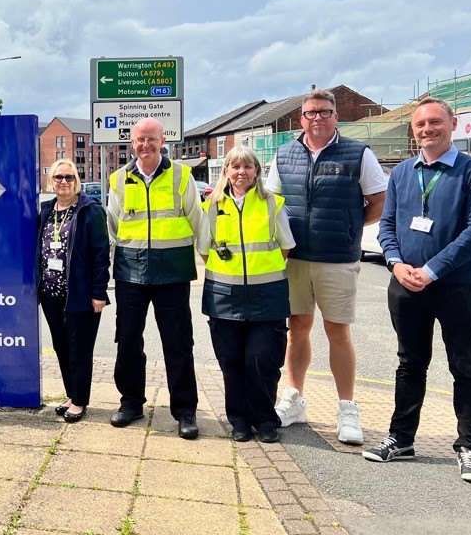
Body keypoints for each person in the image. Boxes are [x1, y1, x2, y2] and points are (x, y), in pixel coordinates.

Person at [364, 97, 471, 484]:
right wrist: (396, 262)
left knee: (466, 366)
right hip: (405, 285)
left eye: (435, 122)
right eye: (420, 124)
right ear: (413, 130)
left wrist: (433, 269)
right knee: (409, 363)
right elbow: (387, 225)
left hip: (456, 286)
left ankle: (469, 448)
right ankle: (401, 439)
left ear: (452, 124)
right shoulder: (403, 172)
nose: (427, 129)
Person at [267, 88, 387, 445]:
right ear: (300, 118)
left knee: (338, 331)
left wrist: (350, 228)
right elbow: (271, 204)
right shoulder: (285, 153)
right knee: (297, 328)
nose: (317, 118)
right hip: (295, 258)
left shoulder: (357, 153)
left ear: (336, 116)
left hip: (337, 258)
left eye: (324, 112)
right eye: (310, 113)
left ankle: (347, 409)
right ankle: (294, 399)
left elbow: (379, 200)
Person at [106, 117, 202, 437]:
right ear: (131, 143)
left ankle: (185, 411)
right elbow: (111, 228)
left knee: (178, 343)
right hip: (130, 271)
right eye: (139, 140)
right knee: (128, 341)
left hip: (172, 271)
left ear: (163, 141)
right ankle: (131, 403)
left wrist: (212, 267)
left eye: (151, 139)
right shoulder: (119, 180)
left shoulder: (181, 176)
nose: (145, 145)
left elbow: (199, 223)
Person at [198, 148, 295, 443]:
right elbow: (204, 249)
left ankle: (265, 420)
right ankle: (239, 420)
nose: (242, 172)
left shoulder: (272, 204)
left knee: (262, 360)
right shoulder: (210, 207)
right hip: (223, 295)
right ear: (226, 170)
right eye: (236, 166)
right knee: (231, 361)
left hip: (267, 294)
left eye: (248, 167)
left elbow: (286, 245)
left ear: (256, 171)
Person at [37, 159, 110, 423]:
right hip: (49, 293)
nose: (64, 182)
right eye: (58, 177)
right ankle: (71, 394)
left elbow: (102, 254)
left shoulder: (90, 210)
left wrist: (99, 292)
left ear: (76, 180)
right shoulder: (46, 211)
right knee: (61, 346)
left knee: (80, 348)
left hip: (80, 292)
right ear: (51, 181)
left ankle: (80, 401)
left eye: (69, 177)